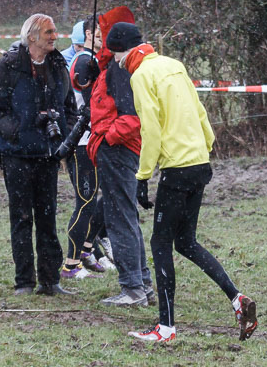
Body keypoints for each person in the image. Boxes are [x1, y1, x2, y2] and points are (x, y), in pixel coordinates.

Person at [109, 23, 257, 343]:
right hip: (199, 162)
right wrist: (206, 145)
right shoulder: (173, 65)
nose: (115, 62)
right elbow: (200, 112)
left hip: (176, 168)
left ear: (123, 52)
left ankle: (166, 328)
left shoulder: (140, 76)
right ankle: (237, 299)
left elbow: (150, 129)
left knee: (160, 244)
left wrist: (143, 175)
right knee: (186, 242)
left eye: (115, 55)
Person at [0, 14, 78, 296]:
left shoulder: (58, 66)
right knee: (21, 219)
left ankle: (50, 281)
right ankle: (24, 282)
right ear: (31, 36)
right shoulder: (9, 65)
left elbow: (70, 108)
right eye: (49, 32)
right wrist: (18, 131)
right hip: (17, 157)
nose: (55, 36)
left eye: (55, 31)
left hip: (48, 156)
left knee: (48, 220)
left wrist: (64, 135)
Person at [74, 7, 153, 307]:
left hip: (118, 150)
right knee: (127, 217)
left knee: (120, 220)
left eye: (103, 31)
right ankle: (142, 283)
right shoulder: (119, 67)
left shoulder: (121, 70)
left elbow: (130, 116)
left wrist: (107, 138)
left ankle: (132, 288)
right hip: (122, 149)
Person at [60, 15, 108, 279]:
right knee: (85, 202)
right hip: (81, 142)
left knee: (101, 199)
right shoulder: (83, 61)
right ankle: (71, 264)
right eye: (99, 32)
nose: (103, 37)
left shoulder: (95, 60)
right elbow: (89, 101)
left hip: (94, 140)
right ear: (88, 34)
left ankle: (87, 249)